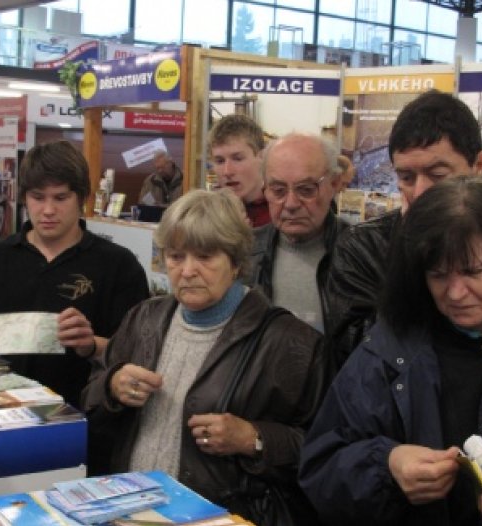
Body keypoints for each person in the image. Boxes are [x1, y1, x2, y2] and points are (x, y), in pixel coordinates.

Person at [299, 177, 482, 525]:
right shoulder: (392, 345)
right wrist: (387, 465)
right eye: (437, 275)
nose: (455, 293)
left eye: (474, 272)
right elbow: (321, 467)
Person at [82, 189, 326, 523]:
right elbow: (91, 400)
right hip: (132, 511)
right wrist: (112, 386)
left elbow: (324, 449)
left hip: (224, 516)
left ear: (236, 261)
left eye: (205, 256)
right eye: (176, 256)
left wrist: (253, 438)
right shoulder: (144, 319)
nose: (187, 271)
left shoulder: (288, 342)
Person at [327, 90, 482, 368]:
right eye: (406, 177)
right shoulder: (362, 247)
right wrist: (411, 254)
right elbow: (358, 354)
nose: (420, 192)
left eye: (438, 175)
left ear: (478, 165)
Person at [0, 140, 150, 410]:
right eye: (37, 197)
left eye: (60, 198)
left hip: (83, 423)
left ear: (82, 197)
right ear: (24, 197)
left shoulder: (118, 265)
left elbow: (140, 354)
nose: (47, 210)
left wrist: (91, 344)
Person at [249, 132, 347, 346]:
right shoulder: (244, 253)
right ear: (264, 190)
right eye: (278, 191)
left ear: (335, 184)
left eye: (306, 190)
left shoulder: (362, 251)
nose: (291, 203)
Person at [207, 114, 270, 227]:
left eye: (237, 159)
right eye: (220, 161)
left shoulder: (281, 211)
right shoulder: (206, 215)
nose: (227, 171)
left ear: (261, 157)